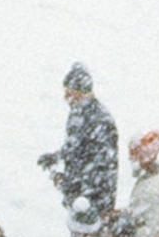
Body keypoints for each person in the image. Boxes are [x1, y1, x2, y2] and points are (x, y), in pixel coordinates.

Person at [40, 65, 118, 224]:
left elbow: (100, 169)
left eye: (69, 94)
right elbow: (74, 146)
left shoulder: (101, 121)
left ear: (82, 94)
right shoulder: (78, 112)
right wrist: (57, 157)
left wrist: (73, 186)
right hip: (78, 197)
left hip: (93, 203)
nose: (66, 98)